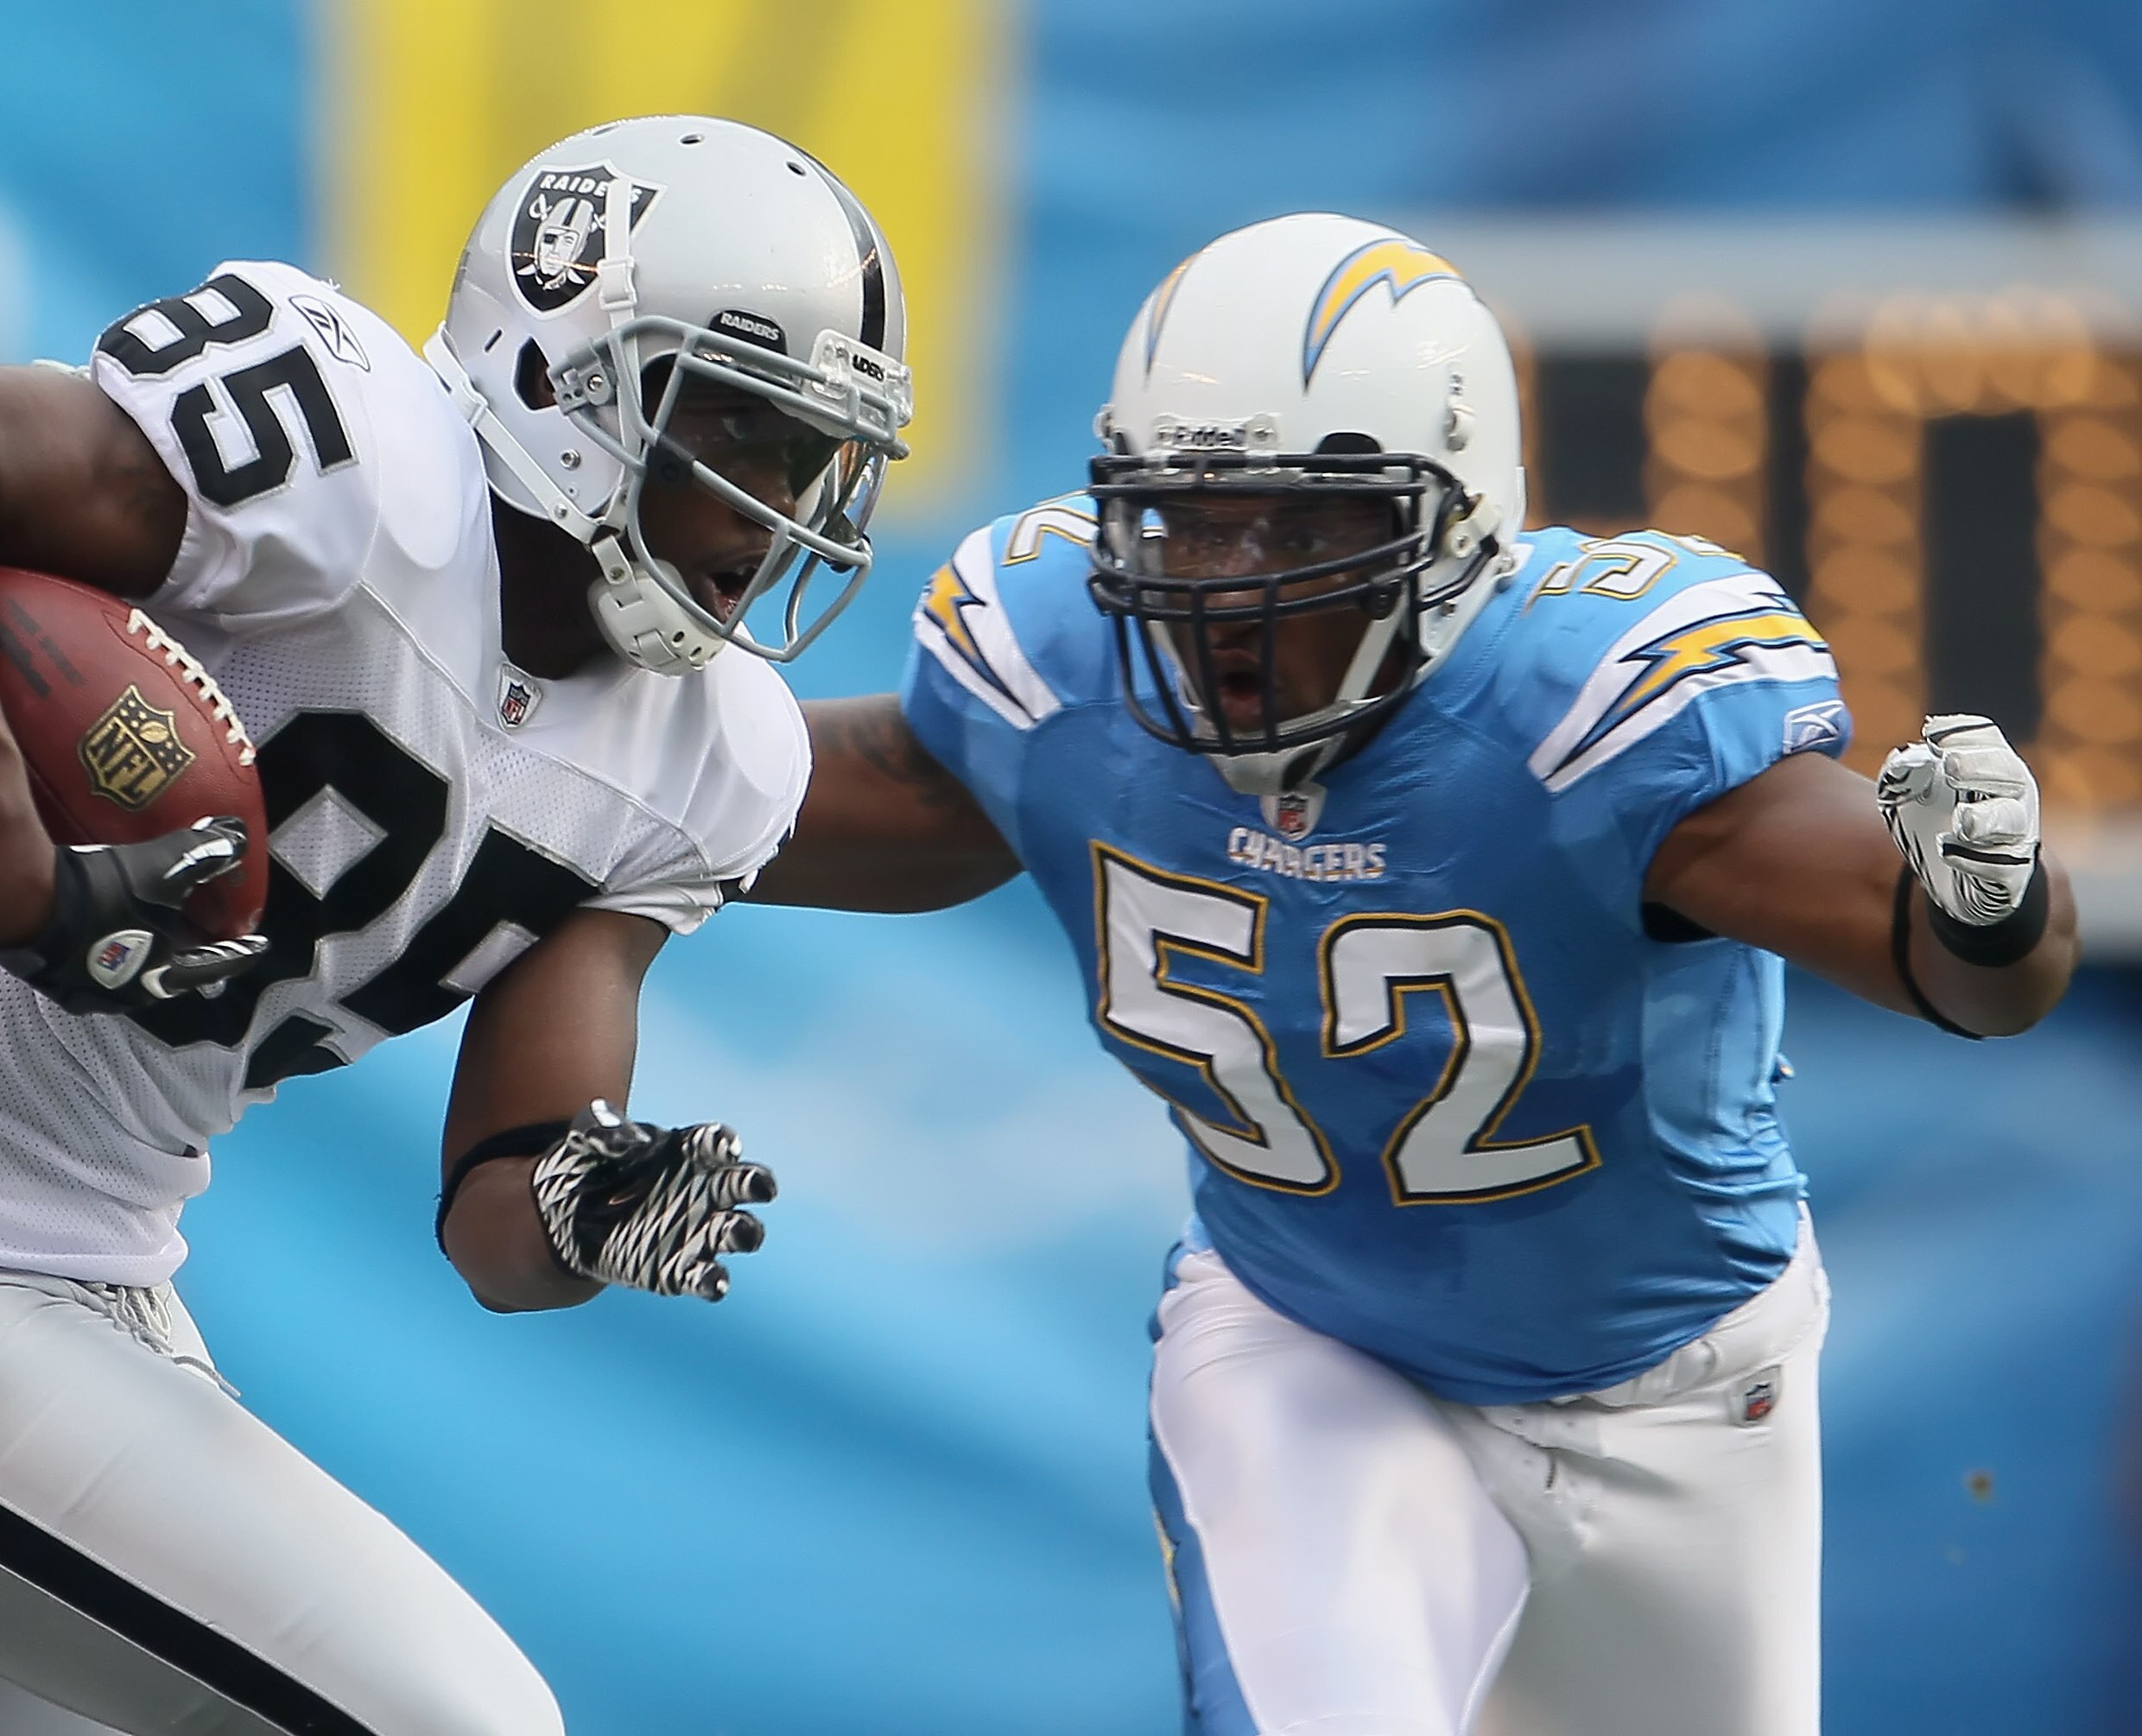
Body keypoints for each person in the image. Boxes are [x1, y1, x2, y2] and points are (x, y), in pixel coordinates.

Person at [0, 113, 912, 1736]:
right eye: (737, 429)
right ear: (565, 372)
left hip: (83, 1294)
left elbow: (498, 1214)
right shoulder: (355, 466)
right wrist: (23, 872)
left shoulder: (709, 758)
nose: (773, 511)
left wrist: (589, 1207)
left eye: (808, 460)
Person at [752, 212, 2075, 1734]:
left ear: (1453, 531)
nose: (1228, 584)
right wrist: (581, 767)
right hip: (1307, 1334)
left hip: (1681, 1380)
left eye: (1299, 530)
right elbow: (758, 797)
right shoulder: (1054, 676)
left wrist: (1991, 905)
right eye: (1190, 520)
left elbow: (1974, 975)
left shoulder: (1587, 712)